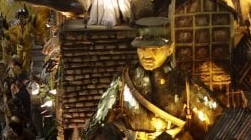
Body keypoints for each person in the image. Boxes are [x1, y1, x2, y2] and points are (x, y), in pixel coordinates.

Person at [85, 17, 222, 138]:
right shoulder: (123, 81)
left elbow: (217, 119)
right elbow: (98, 120)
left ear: (170, 49)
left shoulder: (185, 83)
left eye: (154, 49)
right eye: (142, 49)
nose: (147, 56)